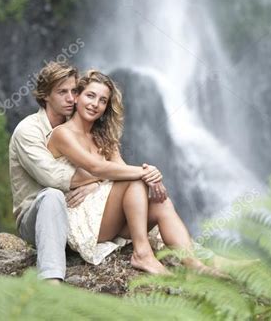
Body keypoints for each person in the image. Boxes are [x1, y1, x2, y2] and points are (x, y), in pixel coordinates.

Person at [47, 68, 216, 275]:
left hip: (108, 218)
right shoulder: (62, 134)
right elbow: (96, 167)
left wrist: (149, 173)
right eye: (90, 95)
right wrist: (146, 173)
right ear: (77, 96)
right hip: (81, 221)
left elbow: (121, 169)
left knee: (161, 203)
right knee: (134, 181)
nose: (95, 104)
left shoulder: (103, 136)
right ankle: (142, 254)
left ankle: (194, 266)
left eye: (102, 100)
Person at [9, 61, 162, 282]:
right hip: (36, 216)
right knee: (52, 196)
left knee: (154, 199)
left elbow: (100, 166)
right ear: (45, 96)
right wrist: (111, 175)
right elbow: (54, 178)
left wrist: (95, 184)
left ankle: (192, 259)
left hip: (76, 215)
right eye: (62, 92)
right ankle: (51, 280)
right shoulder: (28, 131)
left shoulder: (80, 125)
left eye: (74, 91)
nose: (71, 98)